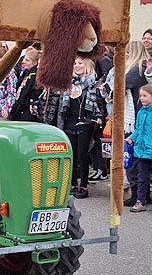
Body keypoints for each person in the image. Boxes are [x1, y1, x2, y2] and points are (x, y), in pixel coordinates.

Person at [58, 57, 104, 199]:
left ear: (87, 65)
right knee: (71, 156)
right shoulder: (68, 83)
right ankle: (71, 185)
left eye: (80, 63)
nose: (77, 66)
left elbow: (99, 102)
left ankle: (83, 186)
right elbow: (61, 104)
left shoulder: (93, 83)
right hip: (69, 122)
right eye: (75, 63)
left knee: (82, 155)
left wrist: (99, 116)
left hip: (85, 122)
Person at [125, 84, 152, 212]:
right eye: (140, 96)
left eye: (145, 96)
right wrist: (131, 137)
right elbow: (138, 129)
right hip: (142, 151)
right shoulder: (141, 112)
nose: (141, 98)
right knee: (142, 177)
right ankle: (140, 201)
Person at [10, 48, 42, 121]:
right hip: (19, 107)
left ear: (35, 63)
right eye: (24, 59)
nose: (24, 62)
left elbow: (35, 94)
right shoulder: (25, 73)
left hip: (26, 111)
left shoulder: (35, 77)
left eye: (27, 60)